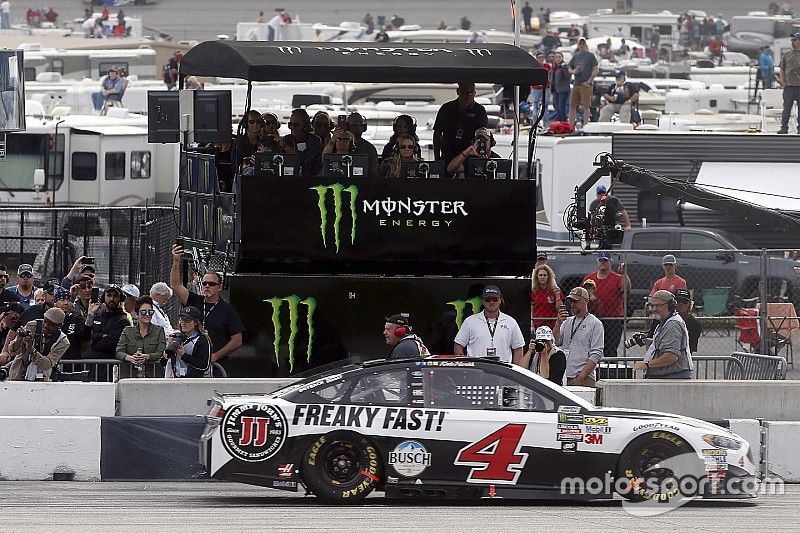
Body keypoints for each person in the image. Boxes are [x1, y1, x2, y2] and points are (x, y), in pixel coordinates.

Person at [170, 244, 243, 370]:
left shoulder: (227, 309)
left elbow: (237, 340)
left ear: (219, 287)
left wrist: (216, 355)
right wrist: (176, 261)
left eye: (212, 284)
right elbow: (175, 285)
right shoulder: (194, 300)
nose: (207, 286)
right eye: (204, 283)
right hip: (190, 361)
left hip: (216, 364)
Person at [453, 285, 525, 363]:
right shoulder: (470, 321)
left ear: (500, 300)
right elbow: (458, 346)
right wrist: (466, 366)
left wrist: (514, 371)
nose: (491, 302)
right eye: (488, 299)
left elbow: (518, 348)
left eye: (495, 299)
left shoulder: (510, 322)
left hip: (503, 371)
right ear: (483, 301)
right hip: (477, 371)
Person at [632, 290, 694, 379]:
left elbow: (671, 356)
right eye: (653, 305)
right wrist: (650, 342)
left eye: (659, 305)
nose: (654, 309)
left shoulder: (672, 325)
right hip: (668, 376)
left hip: (672, 378)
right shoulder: (665, 322)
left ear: (671, 306)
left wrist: (646, 364)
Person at [583, 251, 630, 358]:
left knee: (610, 349)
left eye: (605, 261)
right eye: (601, 260)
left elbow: (626, 289)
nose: (603, 263)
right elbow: (582, 294)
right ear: (597, 262)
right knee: (593, 349)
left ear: (610, 263)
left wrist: (624, 274)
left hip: (613, 318)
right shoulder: (589, 278)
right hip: (594, 318)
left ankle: (610, 372)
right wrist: (590, 297)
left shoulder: (617, 278)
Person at [554, 286, 603, 387]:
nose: (572, 304)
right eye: (571, 301)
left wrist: (582, 375)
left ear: (586, 301)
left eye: (575, 301)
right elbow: (556, 342)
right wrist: (558, 324)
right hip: (564, 375)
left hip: (583, 377)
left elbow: (596, 353)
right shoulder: (567, 321)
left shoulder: (595, 323)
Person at [6, 308, 69, 381]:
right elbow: (12, 351)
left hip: (45, 378)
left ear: (59, 326)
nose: (46, 325)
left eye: (51, 324)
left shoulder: (63, 342)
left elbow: (46, 365)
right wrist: (19, 339)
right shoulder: (32, 326)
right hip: (20, 373)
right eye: (45, 321)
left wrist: (31, 349)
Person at [433, 83, 488, 165]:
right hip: (448, 155)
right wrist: (437, 159)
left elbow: (483, 135)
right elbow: (437, 134)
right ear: (458, 91)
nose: (469, 95)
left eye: (471, 92)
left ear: (475, 93)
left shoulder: (479, 110)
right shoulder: (446, 108)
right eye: (465, 92)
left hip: (470, 156)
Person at [84, 285, 129, 381]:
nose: (112, 299)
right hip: (92, 368)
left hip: (110, 369)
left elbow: (108, 343)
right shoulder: (97, 317)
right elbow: (86, 336)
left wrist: (95, 338)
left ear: (120, 298)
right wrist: (90, 314)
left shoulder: (123, 321)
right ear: (104, 297)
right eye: (109, 295)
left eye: (115, 296)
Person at [116, 296, 166, 378]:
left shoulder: (159, 330)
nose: (147, 314)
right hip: (130, 376)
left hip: (153, 376)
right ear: (136, 314)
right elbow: (119, 352)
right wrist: (130, 358)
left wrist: (147, 357)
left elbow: (161, 352)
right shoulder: (128, 331)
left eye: (150, 312)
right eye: (143, 312)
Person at [161, 306, 213, 378]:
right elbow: (163, 363)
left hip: (195, 381)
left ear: (196, 322)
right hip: (176, 379)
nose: (183, 323)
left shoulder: (202, 339)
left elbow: (203, 365)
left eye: (187, 321)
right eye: (182, 320)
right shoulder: (177, 338)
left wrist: (184, 355)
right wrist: (167, 351)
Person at [279, 108, 323, 177]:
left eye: (296, 125)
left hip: (309, 180)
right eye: (290, 124)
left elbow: (303, 160)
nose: (292, 127)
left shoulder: (315, 140)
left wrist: (285, 146)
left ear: (306, 126)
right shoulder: (287, 139)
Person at [568, 38, 599, 127]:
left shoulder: (590, 56)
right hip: (576, 83)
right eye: (580, 44)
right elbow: (569, 68)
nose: (582, 46)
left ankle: (586, 124)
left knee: (586, 106)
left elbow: (595, 69)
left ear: (586, 45)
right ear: (578, 46)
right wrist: (573, 72)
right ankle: (570, 124)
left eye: (583, 44)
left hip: (585, 84)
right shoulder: (576, 56)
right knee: (572, 105)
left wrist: (589, 81)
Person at [777, 32, 800, 135]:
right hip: (789, 86)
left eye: (794, 40)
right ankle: (784, 127)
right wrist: (782, 81)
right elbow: (782, 69)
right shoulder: (787, 54)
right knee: (786, 108)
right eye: (791, 40)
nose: (792, 42)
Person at [53, 286, 84, 362]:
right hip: (53, 362)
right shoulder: (49, 319)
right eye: (62, 300)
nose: (66, 303)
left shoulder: (77, 319)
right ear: (55, 302)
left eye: (68, 300)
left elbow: (84, 337)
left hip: (73, 363)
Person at [346, 112, 378, 178]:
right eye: (354, 125)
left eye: (360, 125)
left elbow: (374, 173)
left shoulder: (370, 148)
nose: (358, 128)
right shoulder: (339, 144)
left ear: (364, 127)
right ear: (348, 127)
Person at [530, 264, 562, 331]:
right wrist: (532, 325)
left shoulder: (554, 290)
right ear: (537, 277)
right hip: (537, 324)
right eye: (540, 275)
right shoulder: (533, 291)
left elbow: (559, 309)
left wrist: (557, 296)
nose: (542, 277)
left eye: (545, 275)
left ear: (548, 277)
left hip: (552, 324)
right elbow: (531, 310)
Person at [675, 288, 702, 354]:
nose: (681, 304)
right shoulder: (663, 320)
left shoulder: (695, 325)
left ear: (689, 304)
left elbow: (691, 349)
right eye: (678, 301)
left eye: (684, 301)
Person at [549, 51, 571, 122]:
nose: (558, 59)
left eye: (559, 57)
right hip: (555, 90)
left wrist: (564, 67)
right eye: (556, 57)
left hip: (563, 90)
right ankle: (559, 121)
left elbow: (568, 76)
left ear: (562, 58)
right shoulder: (554, 67)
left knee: (562, 107)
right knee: (557, 107)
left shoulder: (564, 66)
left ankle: (564, 121)